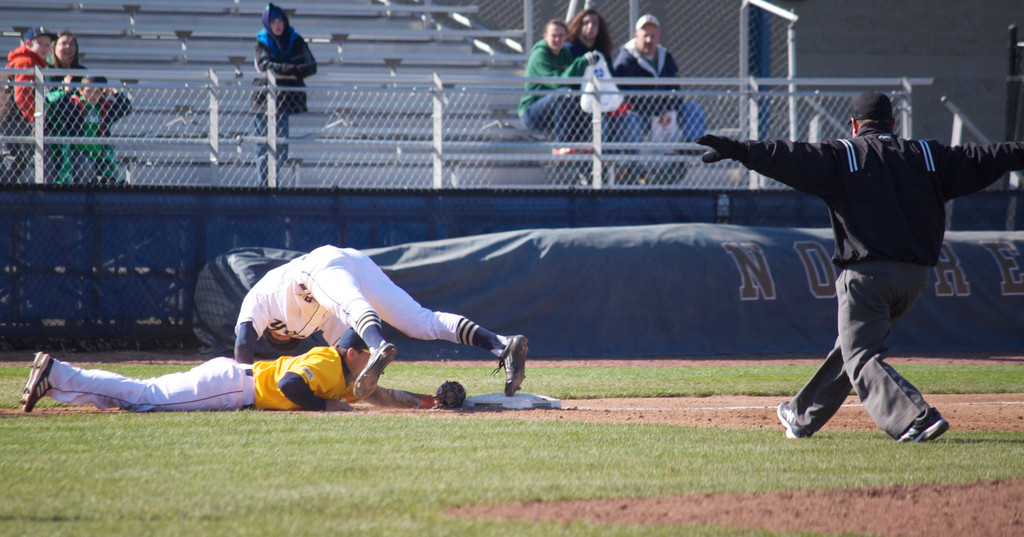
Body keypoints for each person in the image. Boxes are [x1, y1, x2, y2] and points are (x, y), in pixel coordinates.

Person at [695, 90, 1024, 443]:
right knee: (851, 348)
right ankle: (801, 414)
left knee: (861, 354)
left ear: (853, 125)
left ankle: (916, 418)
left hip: (867, 278)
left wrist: (740, 150)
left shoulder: (846, 155)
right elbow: (987, 157)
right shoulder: (927, 156)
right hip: (915, 280)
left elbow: (789, 155)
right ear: (893, 125)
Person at [234, 245, 528, 399]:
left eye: (282, 338)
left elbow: (243, 342)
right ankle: (500, 344)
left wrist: (244, 387)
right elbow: (347, 356)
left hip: (315, 267)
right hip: (352, 261)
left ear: (276, 332)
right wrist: (420, 399)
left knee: (353, 307)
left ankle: (379, 346)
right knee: (419, 321)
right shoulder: (316, 321)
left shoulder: (261, 297)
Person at [20, 332, 443, 413]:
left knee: (137, 396)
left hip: (231, 380)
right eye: (367, 355)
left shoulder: (346, 377)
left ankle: (55, 378)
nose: (371, 364)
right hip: (231, 388)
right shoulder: (327, 362)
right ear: (351, 352)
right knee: (143, 396)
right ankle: (58, 372)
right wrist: (325, 408)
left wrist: (428, 401)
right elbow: (289, 385)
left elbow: (381, 397)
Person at [251, 3, 317, 186]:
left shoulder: (294, 40)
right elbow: (264, 67)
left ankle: (271, 184)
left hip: (282, 102)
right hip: (263, 99)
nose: (278, 25)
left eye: (280, 20)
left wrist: (284, 72)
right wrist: (293, 71)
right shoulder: (262, 41)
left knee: (280, 149)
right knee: (263, 147)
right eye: (273, 21)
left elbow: (311, 66)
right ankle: (266, 189)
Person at [518, 19, 600, 153]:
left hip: (554, 113)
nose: (557, 39)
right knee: (564, 94)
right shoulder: (540, 55)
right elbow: (558, 82)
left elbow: (574, 81)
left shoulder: (564, 54)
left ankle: (585, 144)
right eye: (554, 35)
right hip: (532, 113)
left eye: (561, 36)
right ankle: (561, 145)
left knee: (583, 99)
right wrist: (581, 63)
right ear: (545, 36)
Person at [45, 75, 132, 184]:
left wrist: (115, 93)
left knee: (109, 161)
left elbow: (126, 108)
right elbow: (60, 107)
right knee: (86, 165)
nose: (92, 96)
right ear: (81, 91)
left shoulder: (103, 107)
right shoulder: (76, 105)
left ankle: (108, 182)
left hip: (99, 152)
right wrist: (66, 91)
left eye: (96, 92)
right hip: (78, 153)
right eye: (88, 91)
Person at [2, 26, 56, 183]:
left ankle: (5, 187)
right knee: (39, 154)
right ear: (28, 43)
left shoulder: (31, 61)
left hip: (12, 117)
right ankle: (47, 191)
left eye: (48, 44)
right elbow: (21, 95)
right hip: (15, 118)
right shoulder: (26, 61)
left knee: (16, 159)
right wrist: (35, 120)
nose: (45, 48)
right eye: (40, 43)